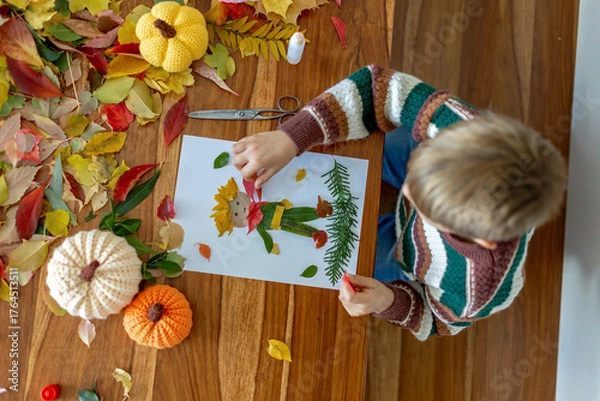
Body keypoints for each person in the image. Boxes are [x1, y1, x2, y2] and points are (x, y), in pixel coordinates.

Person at [231, 65, 567, 340]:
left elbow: (436, 321)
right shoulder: (463, 130)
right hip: (417, 156)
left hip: (411, 258)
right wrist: (293, 136)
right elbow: (380, 86)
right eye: (415, 184)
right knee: (360, 135)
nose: (407, 193)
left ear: (481, 241)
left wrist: (387, 300)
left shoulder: (478, 289)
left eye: (421, 202)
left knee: (337, 264)